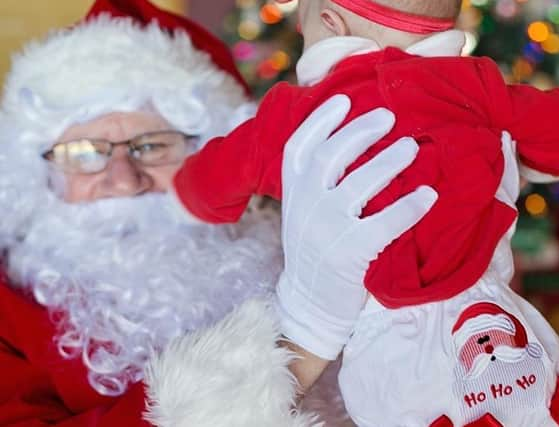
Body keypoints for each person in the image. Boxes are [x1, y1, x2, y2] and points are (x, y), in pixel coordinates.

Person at [0, 0, 436, 425]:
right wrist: (297, 340)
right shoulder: (9, 309)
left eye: (151, 146)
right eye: (84, 152)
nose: (123, 179)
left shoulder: (308, 241)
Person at [170, 0, 559, 425]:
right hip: (495, 320)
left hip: (390, 346)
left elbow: (205, 188)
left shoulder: (297, 117)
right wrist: (525, 161)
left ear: (332, 25)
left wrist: (189, 188)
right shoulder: (478, 85)